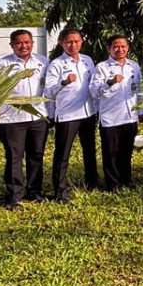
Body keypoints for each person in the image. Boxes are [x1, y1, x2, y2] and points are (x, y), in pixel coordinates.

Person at [0, 29, 51, 209]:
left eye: (27, 42)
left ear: (32, 43)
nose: (23, 46)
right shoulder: (2, 64)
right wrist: (17, 77)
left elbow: (48, 87)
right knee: (14, 157)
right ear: (11, 45)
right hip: (12, 118)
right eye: (18, 43)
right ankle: (15, 196)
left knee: (36, 155)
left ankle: (34, 191)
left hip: (38, 116)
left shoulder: (42, 61)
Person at [44, 28, 99, 202]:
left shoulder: (87, 60)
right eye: (69, 42)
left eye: (76, 41)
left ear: (81, 42)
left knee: (89, 150)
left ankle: (92, 183)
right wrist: (64, 82)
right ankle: (60, 191)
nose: (73, 45)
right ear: (61, 43)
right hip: (68, 115)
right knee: (62, 154)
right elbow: (48, 91)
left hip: (88, 113)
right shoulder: (56, 64)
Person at [90, 36, 143, 191]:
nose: (120, 50)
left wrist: (140, 110)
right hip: (110, 118)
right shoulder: (101, 67)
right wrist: (109, 82)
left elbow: (138, 89)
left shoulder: (133, 66)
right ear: (109, 48)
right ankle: (112, 184)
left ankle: (126, 180)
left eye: (123, 46)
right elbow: (93, 91)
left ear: (128, 48)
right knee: (111, 153)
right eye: (116, 47)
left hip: (130, 116)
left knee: (126, 152)